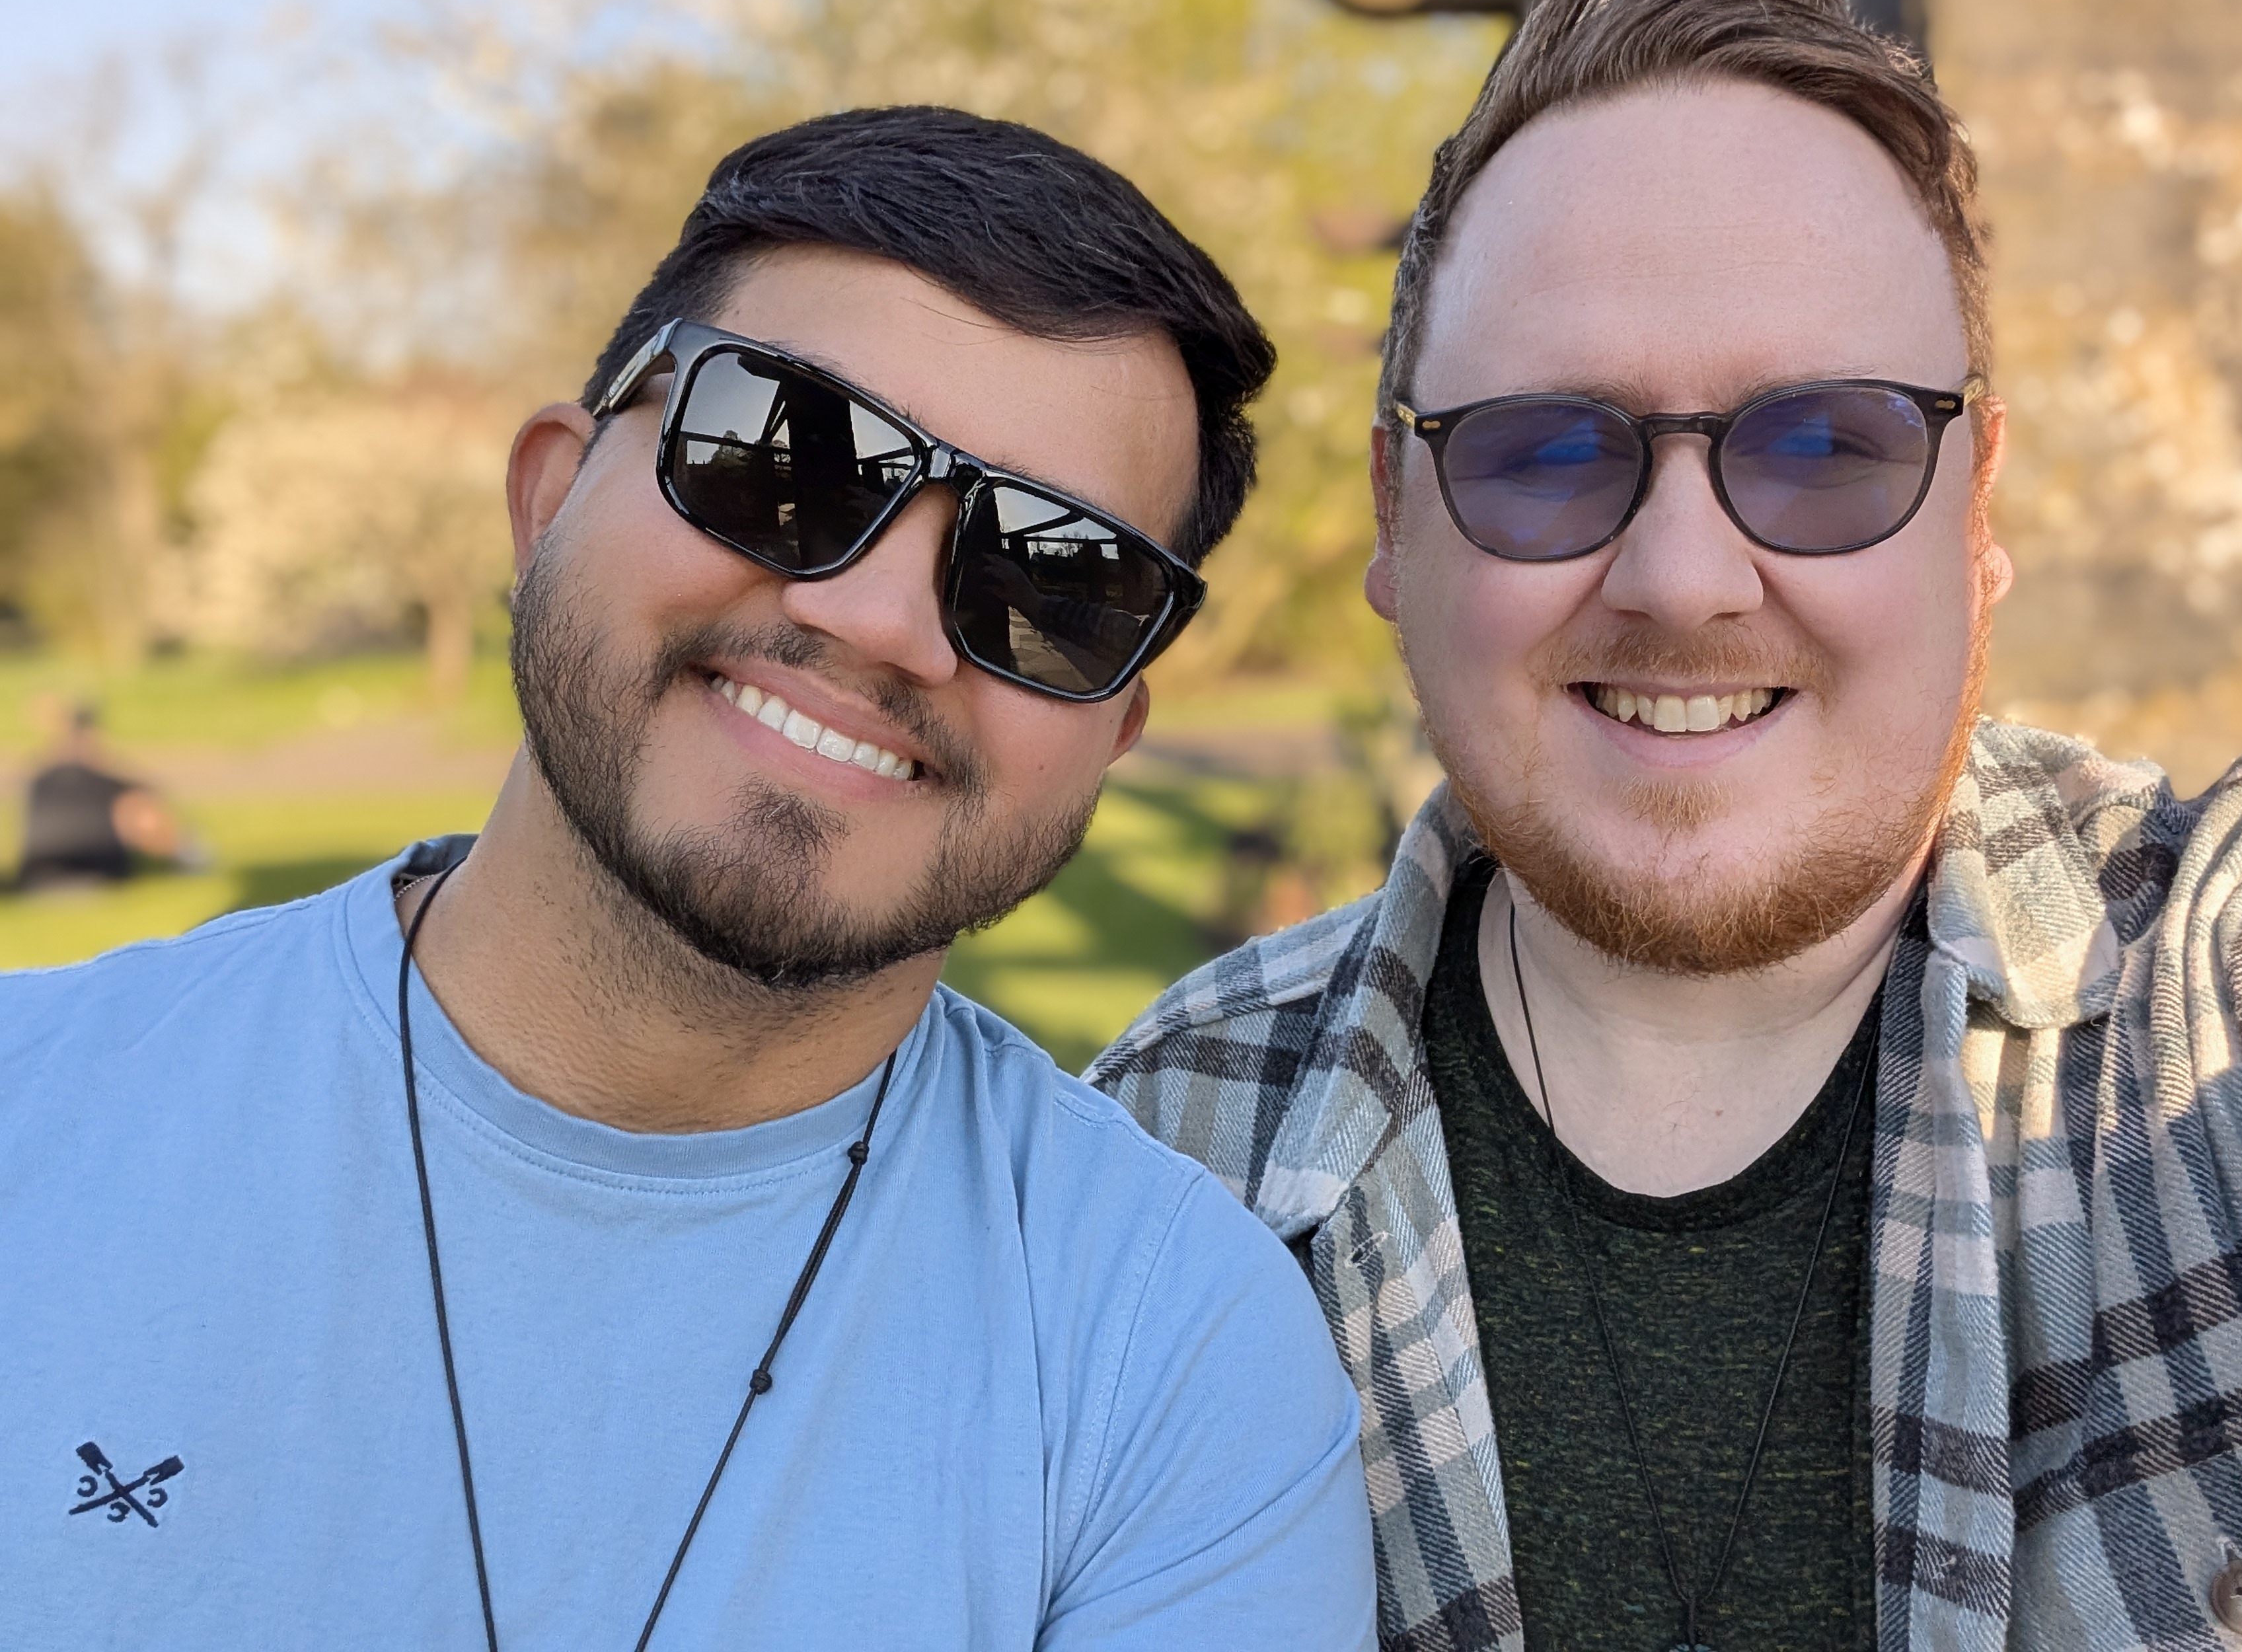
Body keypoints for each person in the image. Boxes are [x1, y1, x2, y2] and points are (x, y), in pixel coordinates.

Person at [1092, 0, 2242, 1652]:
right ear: (1393, 521)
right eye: (1545, 451)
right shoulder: (1155, 1165)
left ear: (1977, 508)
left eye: (1826, 445)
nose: (1688, 577)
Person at [0, 107, 1377, 1649]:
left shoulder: (1177, 1367)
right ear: (547, 495)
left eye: (1054, 575)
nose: (879, 618)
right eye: (783, 456)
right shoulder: (32, 1116)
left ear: (1112, 728)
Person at [13, 699, 184, 889]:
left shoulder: (39, 780)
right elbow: (149, 822)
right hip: (97, 875)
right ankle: (190, 859)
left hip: (35, 876)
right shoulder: (113, 782)